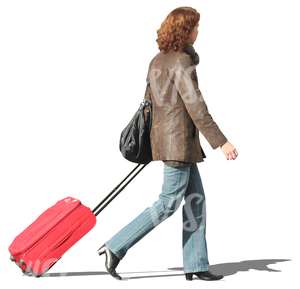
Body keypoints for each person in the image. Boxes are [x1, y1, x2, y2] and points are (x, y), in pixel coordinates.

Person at [97, 6, 238, 281]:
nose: (199, 31)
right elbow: (195, 106)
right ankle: (115, 246)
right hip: (178, 144)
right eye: (195, 27)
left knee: (195, 201)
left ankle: (196, 264)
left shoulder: (158, 60)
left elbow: (150, 104)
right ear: (185, 30)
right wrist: (221, 142)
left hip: (168, 141)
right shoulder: (182, 61)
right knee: (168, 203)